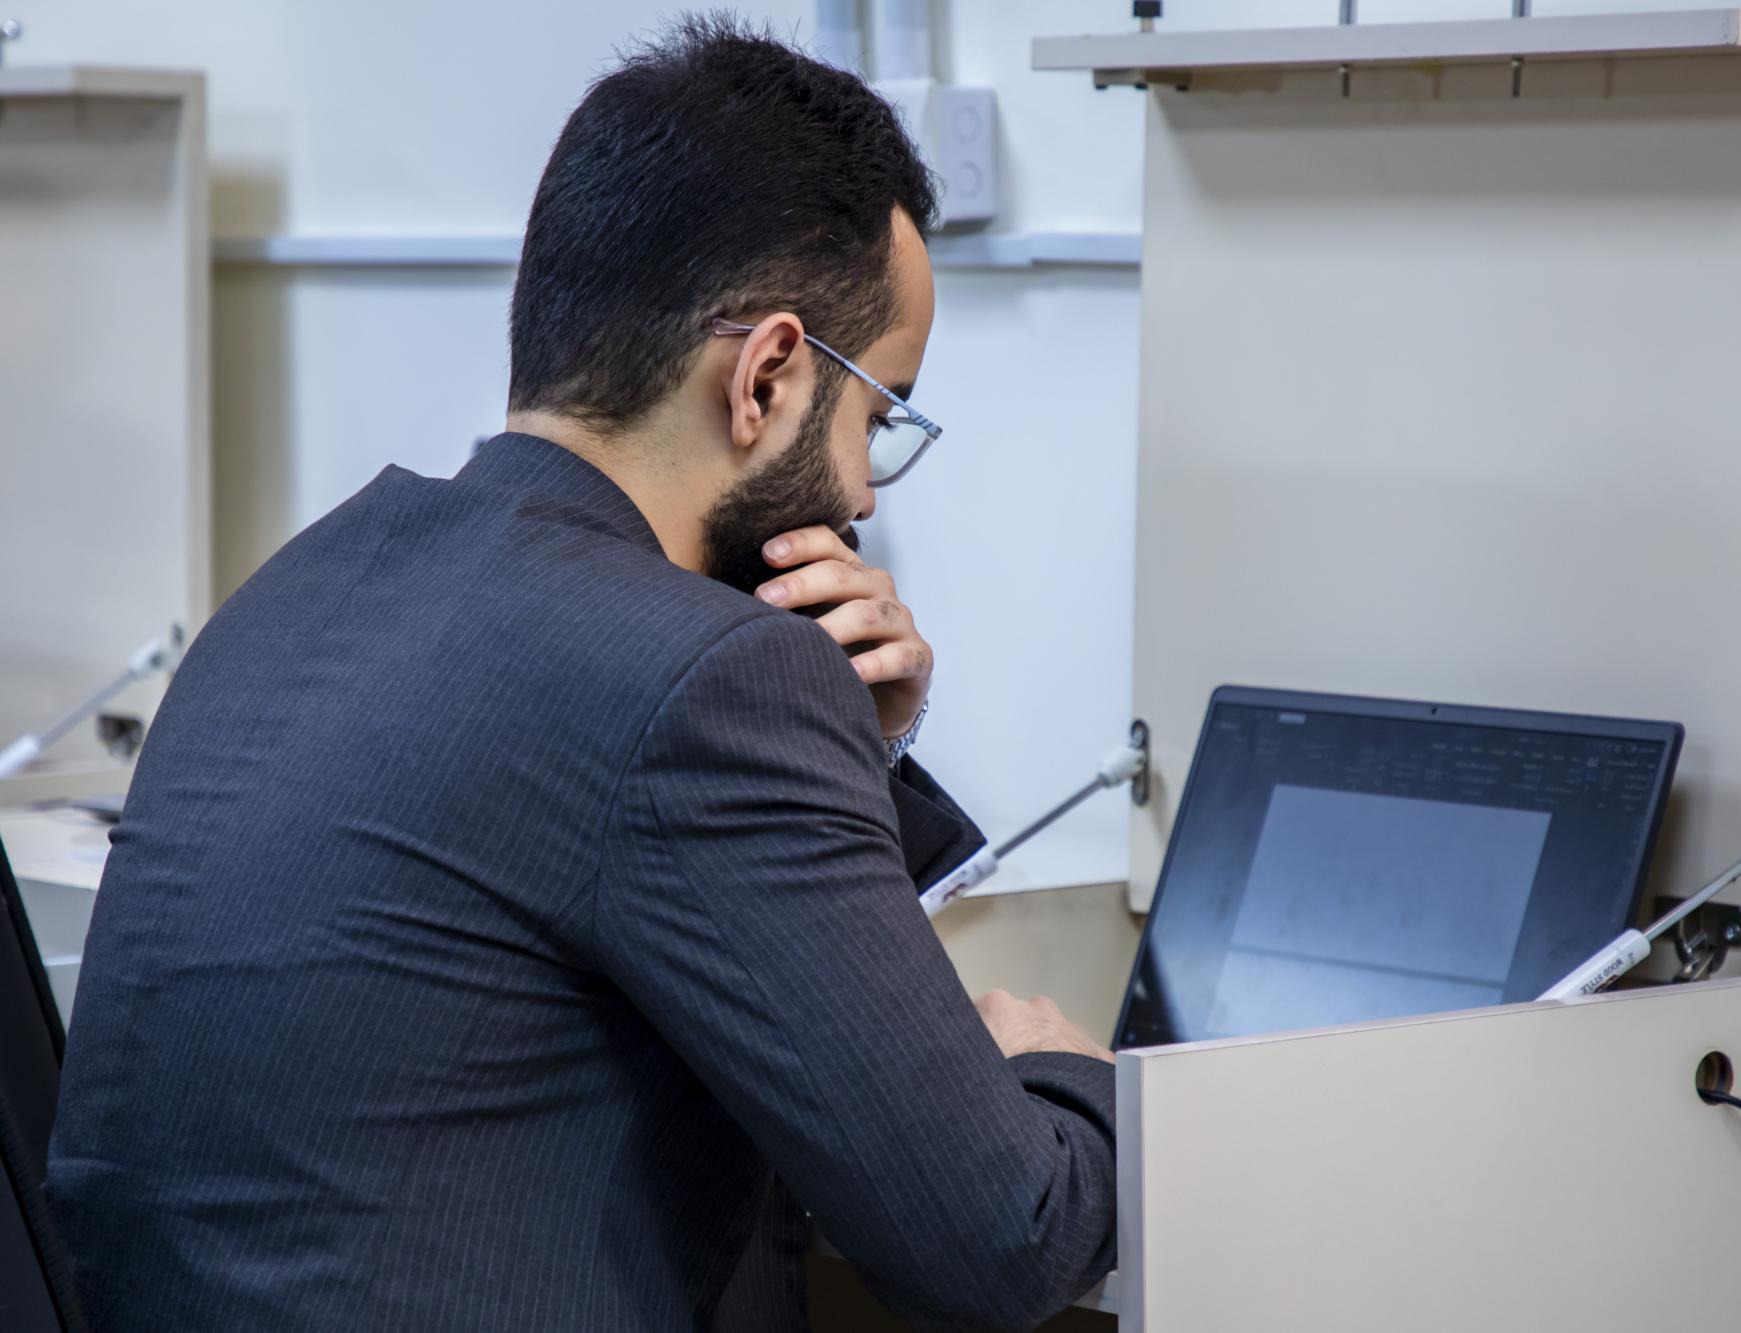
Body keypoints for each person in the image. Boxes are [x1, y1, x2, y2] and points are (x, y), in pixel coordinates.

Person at [47, 17, 1117, 1332]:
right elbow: (1001, 1240)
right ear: (768, 375)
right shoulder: (705, 683)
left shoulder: (296, 592)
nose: (860, 494)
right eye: (877, 417)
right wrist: (1070, 1074)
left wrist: (857, 741)